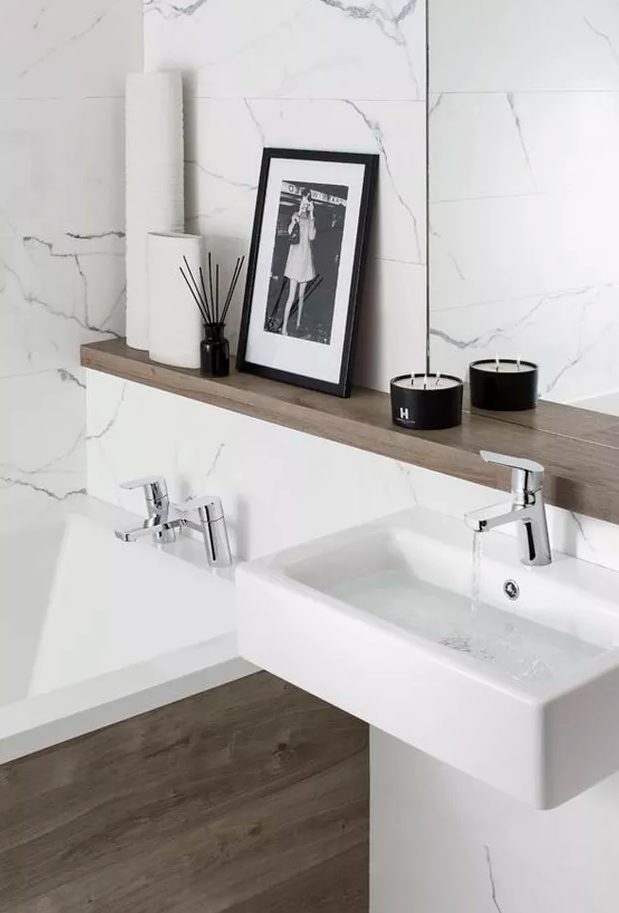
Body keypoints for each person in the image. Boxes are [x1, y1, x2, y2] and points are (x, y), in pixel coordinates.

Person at [281, 188, 316, 335]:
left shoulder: (310, 219)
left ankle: (298, 325)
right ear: (300, 201)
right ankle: (284, 328)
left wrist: (312, 215)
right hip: (295, 260)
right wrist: (295, 219)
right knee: (291, 296)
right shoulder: (295, 215)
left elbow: (312, 237)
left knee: (302, 297)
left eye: (307, 202)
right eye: (303, 201)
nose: (305, 205)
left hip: (306, 260)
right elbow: (289, 231)